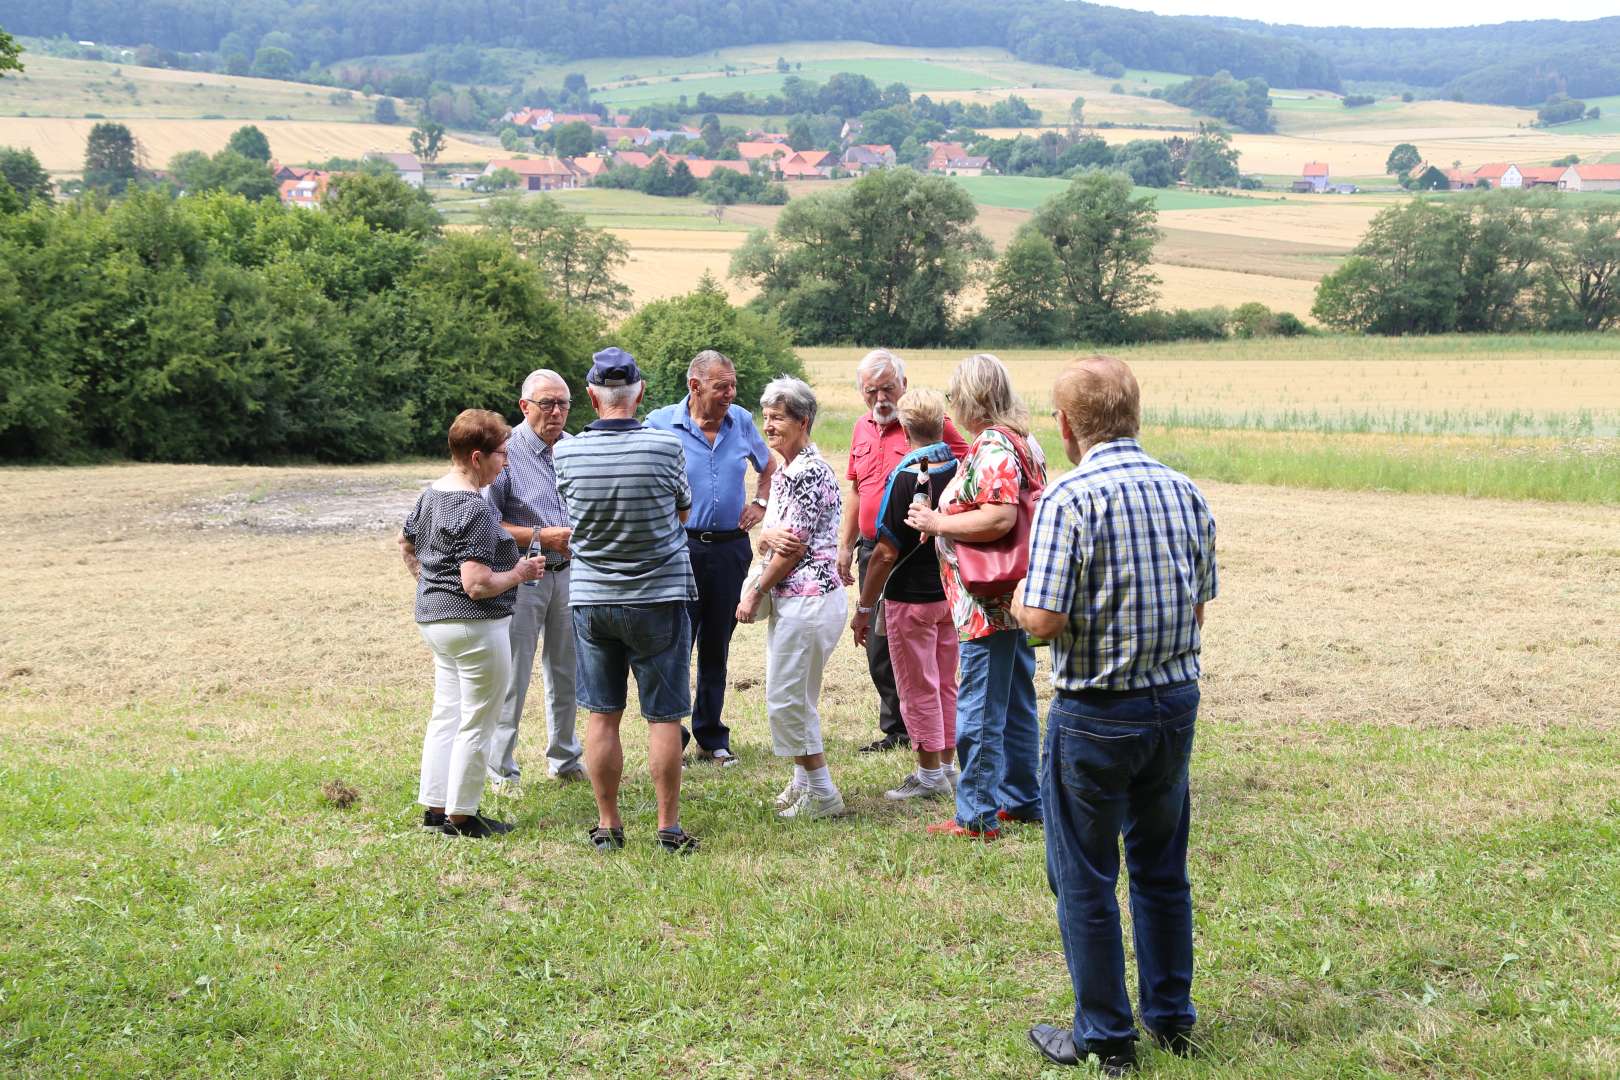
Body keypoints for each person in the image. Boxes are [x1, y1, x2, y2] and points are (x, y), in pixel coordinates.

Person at [1012, 356, 1218, 1076]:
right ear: (1134, 413)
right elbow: (1196, 607)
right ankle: (1171, 1017)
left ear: (1067, 427)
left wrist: (1011, 601)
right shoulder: (1185, 491)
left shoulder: (1071, 499)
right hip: (1174, 701)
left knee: (1085, 874)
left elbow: (1041, 618)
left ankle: (1104, 1034)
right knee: (1162, 868)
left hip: (1097, 710)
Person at [554, 348, 700, 854]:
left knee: (602, 715)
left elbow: (574, 519)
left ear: (591, 396)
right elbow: (683, 512)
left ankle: (609, 826)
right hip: (659, 596)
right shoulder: (665, 447)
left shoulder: (566, 453)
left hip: (592, 598)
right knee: (663, 717)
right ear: (639, 394)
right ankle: (667, 829)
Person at [905, 354, 1045, 841]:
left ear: (973, 398)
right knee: (1016, 701)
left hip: (987, 602)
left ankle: (978, 815)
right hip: (1013, 597)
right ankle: (1024, 799)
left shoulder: (992, 447)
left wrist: (937, 522)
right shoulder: (1022, 440)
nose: (950, 405)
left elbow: (999, 519)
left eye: (953, 395)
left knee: (981, 708)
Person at [399, 409, 546, 839]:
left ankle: (435, 808)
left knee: (446, 715)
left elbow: (408, 544)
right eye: (502, 454)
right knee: (479, 718)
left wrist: (431, 584)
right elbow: (478, 585)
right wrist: (520, 573)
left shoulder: (432, 494)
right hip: (475, 626)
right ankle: (462, 816)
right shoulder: (475, 508)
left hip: (437, 623)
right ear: (478, 457)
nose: (507, 462)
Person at [646, 350, 776, 768]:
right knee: (674, 644)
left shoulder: (741, 420)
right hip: (677, 547)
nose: (730, 394)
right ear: (695, 386)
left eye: (733, 385)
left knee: (716, 644)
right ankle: (674, 737)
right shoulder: (659, 423)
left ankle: (711, 736)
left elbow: (768, 465)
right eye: (722, 386)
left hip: (729, 549)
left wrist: (759, 501)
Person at [838, 349, 969, 754]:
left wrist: (945, 519)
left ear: (904, 387)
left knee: (922, 663)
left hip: (910, 556)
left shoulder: (930, 425)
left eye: (887, 388)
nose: (880, 398)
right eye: (871, 391)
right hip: (872, 548)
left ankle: (926, 748)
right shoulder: (862, 428)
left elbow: (968, 467)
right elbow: (858, 488)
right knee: (881, 651)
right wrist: (845, 545)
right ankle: (899, 728)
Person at [736, 377, 848, 820]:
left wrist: (756, 591)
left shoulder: (807, 473)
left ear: (803, 421)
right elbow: (773, 538)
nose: (769, 426)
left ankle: (823, 793)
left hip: (808, 599)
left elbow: (791, 548)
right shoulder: (789, 468)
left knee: (787, 698)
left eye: (778, 418)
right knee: (798, 694)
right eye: (765, 418)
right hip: (801, 600)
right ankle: (802, 781)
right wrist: (766, 539)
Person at [849, 388, 959, 801]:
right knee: (946, 682)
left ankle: (928, 773)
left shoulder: (909, 475)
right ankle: (947, 766)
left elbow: (885, 551)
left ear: (905, 427)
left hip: (909, 597)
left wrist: (864, 607)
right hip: (948, 593)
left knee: (917, 687)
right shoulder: (958, 466)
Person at [481, 369, 581, 793]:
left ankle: (565, 758)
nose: (556, 412)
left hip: (572, 576)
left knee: (568, 672)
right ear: (525, 406)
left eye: (562, 404)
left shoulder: (578, 449)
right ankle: (500, 768)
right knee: (514, 673)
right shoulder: (506, 453)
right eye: (546, 404)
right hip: (523, 577)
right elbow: (485, 521)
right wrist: (542, 535)